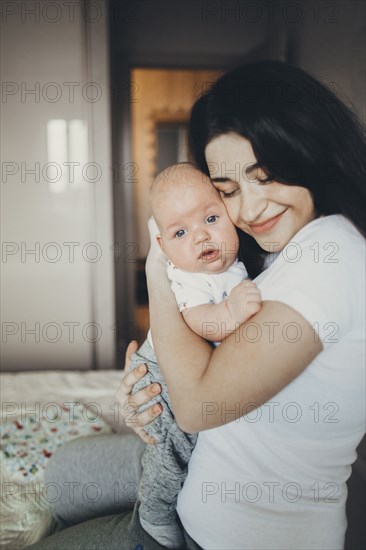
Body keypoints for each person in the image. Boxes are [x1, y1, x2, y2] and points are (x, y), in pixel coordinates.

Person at [29, 60, 365, 550]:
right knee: (63, 474)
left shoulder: (332, 254)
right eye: (227, 191)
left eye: (266, 177)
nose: (249, 210)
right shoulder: (277, 247)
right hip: (197, 469)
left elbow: (198, 407)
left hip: (219, 533)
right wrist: (149, 389)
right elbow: (200, 357)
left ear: (309, 150)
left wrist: (158, 276)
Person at [129, 162, 260, 548]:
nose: (201, 235)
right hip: (162, 377)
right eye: (180, 232)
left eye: (211, 218)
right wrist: (230, 313)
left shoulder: (234, 266)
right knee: (171, 450)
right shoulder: (186, 277)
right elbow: (199, 321)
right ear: (163, 247)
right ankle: (154, 513)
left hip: (183, 373)